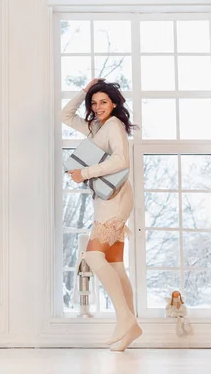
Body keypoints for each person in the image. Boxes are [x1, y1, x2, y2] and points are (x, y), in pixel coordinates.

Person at [61, 78, 141, 352]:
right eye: (93, 103)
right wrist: (84, 90)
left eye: (103, 102)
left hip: (116, 198)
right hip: (108, 198)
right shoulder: (97, 127)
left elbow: (122, 161)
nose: (97, 107)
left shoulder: (115, 126)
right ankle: (132, 329)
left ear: (115, 103)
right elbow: (65, 116)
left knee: (93, 256)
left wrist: (84, 173)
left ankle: (125, 318)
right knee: (115, 264)